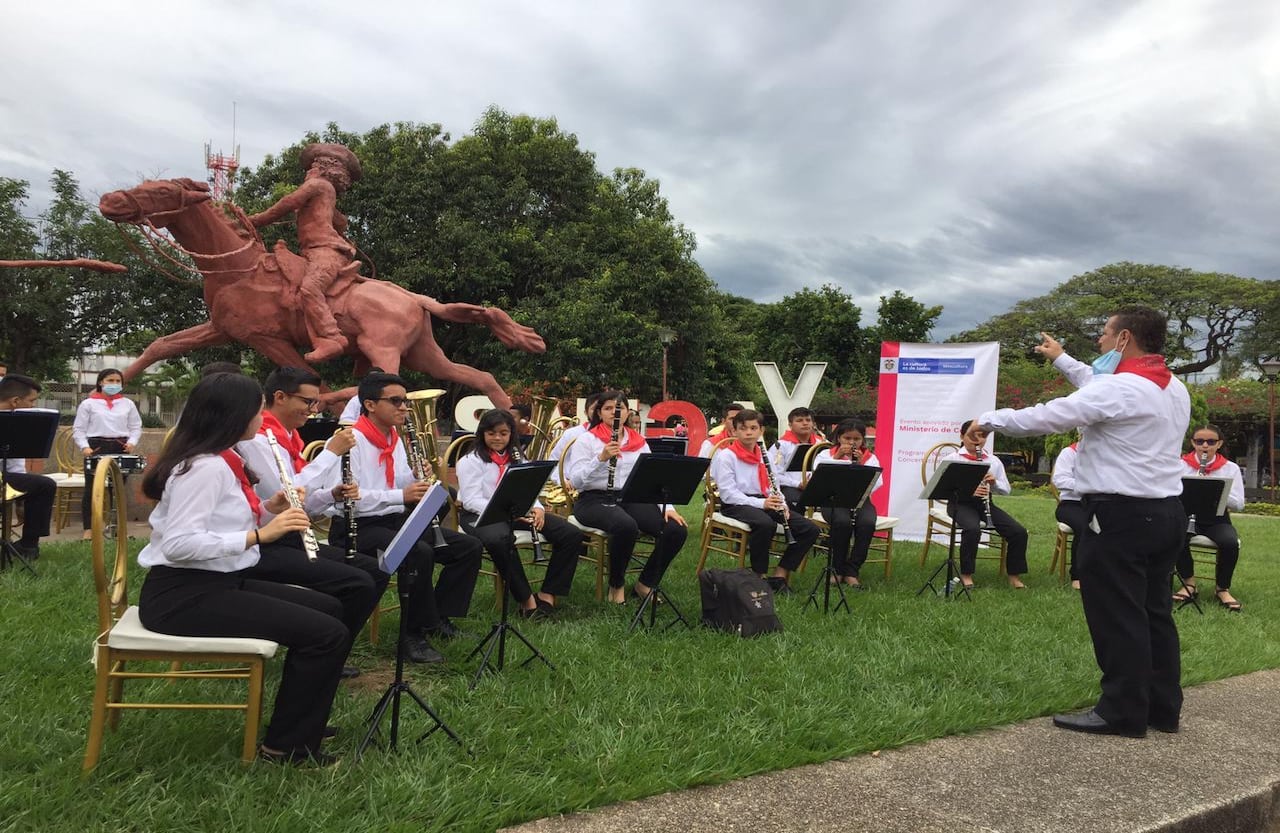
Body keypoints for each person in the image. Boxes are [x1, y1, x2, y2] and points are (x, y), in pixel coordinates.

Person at [972, 305, 1190, 737]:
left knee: (1118, 615)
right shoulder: (1170, 386)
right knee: (1154, 613)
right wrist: (1060, 358)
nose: (1100, 342)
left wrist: (988, 419)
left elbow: (1052, 414)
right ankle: (1162, 709)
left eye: (1105, 334)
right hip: (1166, 513)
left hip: (1121, 516)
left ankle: (1122, 712)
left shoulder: (1123, 388)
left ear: (1125, 338)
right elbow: (1095, 382)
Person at [137, 373, 349, 766]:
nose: (261, 416)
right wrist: (260, 536)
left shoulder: (218, 459)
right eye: (256, 408)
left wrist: (271, 507)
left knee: (330, 610)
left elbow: (218, 522)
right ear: (234, 415)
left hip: (213, 583)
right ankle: (287, 747)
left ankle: (302, 723)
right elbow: (179, 545)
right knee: (327, 634)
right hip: (182, 596)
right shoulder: (205, 468)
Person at [235, 367, 388, 676]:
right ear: (279, 397)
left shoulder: (288, 436)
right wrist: (330, 454)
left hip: (285, 531)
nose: (313, 410)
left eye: (316, 403)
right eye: (307, 402)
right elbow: (286, 496)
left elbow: (297, 499)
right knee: (356, 581)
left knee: (373, 570)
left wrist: (331, 494)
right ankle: (323, 650)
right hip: (265, 542)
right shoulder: (260, 439)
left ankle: (330, 650)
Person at [325, 372, 482, 664]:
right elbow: (349, 499)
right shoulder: (351, 441)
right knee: (417, 553)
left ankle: (438, 620)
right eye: (396, 401)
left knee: (467, 548)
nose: (404, 408)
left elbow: (396, 482)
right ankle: (412, 636)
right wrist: (403, 495)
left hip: (392, 520)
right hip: (355, 528)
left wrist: (416, 477)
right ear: (370, 405)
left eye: (405, 402)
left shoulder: (393, 439)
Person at [564, 390, 689, 604]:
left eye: (619, 408)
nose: (615, 412)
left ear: (627, 412)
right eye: (608, 408)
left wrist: (668, 509)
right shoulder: (586, 440)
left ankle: (645, 583)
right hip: (593, 499)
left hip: (630, 496)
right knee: (626, 526)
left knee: (676, 530)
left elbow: (653, 480)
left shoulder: (639, 442)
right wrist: (600, 458)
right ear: (600, 413)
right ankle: (616, 585)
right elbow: (575, 481)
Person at [456, 409, 585, 616]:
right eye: (491, 433)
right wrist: (509, 510)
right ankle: (526, 600)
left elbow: (528, 488)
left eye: (503, 433)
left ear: (511, 435)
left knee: (571, 534)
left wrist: (538, 508)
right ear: (482, 434)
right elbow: (471, 501)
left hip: (515, 511)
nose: (497, 438)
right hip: (479, 515)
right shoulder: (470, 461)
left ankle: (548, 594)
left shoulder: (517, 457)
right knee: (500, 540)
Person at [247, 143, 363, 362]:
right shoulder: (326, 194)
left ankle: (332, 337)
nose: (309, 171)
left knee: (310, 288)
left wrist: (255, 220)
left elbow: (287, 202)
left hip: (326, 252)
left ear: (322, 168)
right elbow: (340, 222)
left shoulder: (318, 185)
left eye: (313, 166)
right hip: (313, 251)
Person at [710, 409, 819, 594]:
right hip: (736, 504)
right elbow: (728, 494)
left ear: (761, 431)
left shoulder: (764, 455)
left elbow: (773, 484)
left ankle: (780, 574)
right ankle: (759, 576)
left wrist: (782, 504)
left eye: (754, 428)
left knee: (810, 529)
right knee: (764, 524)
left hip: (763, 501)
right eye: (743, 429)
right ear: (734, 431)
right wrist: (763, 504)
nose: (749, 432)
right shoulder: (726, 456)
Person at [941, 421, 1029, 590]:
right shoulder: (951, 460)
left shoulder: (993, 461)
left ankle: (1014, 575)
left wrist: (994, 483)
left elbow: (1006, 490)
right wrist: (968, 490)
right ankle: (966, 574)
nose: (977, 441)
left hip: (985, 504)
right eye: (972, 436)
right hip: (960, 504)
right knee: (973, 529)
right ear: (961, 436)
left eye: (981, 437)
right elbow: (943, 488)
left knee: (1018, 532)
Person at [1174, 425, 1245, 611]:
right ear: (1193, 443)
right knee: (1176, 537)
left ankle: (1222, 588)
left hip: (1217, 519)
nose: (1205, 446)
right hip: (1187, 516)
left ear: (1219, 444)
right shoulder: (1180, 465)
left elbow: (1239, 504)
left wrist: (1217, 489)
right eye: (1199, 441)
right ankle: (1189, 583)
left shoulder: (1231, 468)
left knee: (1229, 543)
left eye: (1211, 442)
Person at [73, 368, 142, 540]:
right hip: (96, 446)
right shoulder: (88, 404)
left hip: (120, 446)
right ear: (100, 382)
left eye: (118, 381)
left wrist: (132, 442)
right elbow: (79, 429)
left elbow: (135, 426)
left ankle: (118, 528)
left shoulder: (128, 404)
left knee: (117, 488)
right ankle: (88, 529)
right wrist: (84, 447)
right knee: (92, 488)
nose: (114, 384)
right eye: (110, 381)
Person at [813, 418, 883, 588]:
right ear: (839, 438)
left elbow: (877, 482)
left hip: (860, 500)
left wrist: (859, 465)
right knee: (842, 523)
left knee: (867, 523)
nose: (852, 443)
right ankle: (836, 570)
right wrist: (837, 458)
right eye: (847, 439)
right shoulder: (825, 455)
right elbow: (817, 478)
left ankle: (852, 570)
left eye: (856, 439)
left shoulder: (869, 458)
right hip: (832, 500)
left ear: (862, 440)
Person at [0, 374, 56, 561]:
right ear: (15, 401)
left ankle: (28, 545)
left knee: (43, 485)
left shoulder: (17, 424)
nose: (33, 406)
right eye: (31, 401)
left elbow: (15, 466)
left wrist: (20, 497)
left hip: (3, 478)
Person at [769, 406, 823, 510]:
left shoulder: (821, 444)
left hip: (816, 488)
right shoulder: (780, 446)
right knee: (798, 503)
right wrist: (798, 484)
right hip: (790, 488)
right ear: (790, 425)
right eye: (799, 420)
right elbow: (773, 475)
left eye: (808, 420)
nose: (805, 423)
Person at [1052, 440, 1086, 590]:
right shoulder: (1069, 453)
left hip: (1097, 503)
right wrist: (1088, 485)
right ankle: (1077, 575)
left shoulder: (1106, 454)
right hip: (1071, 504)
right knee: (1085, 527)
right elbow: (1059, 480)